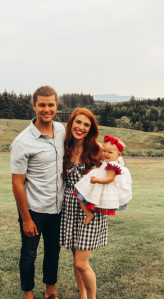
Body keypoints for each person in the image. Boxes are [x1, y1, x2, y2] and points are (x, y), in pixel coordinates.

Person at [11, 86, 64, 299]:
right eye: (41, 104)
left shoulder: (62, 130)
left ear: (56, 106)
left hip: (57, 207)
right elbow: (17, 183)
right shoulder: (22, 142)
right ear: (34, 106)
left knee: (53, 253)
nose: (46, 109)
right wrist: (26, 219)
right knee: (29, 255)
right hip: (33, 210)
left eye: (50, 104)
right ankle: (28, 295)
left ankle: (50, 293)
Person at [59, 108, 105, 299]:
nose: (81, 127)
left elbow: (112, 173)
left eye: (87, 125)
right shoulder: (63, 147)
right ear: (71, 123)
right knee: (75, 260)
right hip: (69, 208)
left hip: (90, 210)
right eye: (78, 122)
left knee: (81, 263)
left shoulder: (97, 149)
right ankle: (83, 297)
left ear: (91, 129)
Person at [74, 135, 132, 225]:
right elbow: (103, 168)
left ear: (118, 154)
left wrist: (97, 180)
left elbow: (110, 178)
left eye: (110, 152)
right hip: (99, 178)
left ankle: (88, 214)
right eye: (104, 151)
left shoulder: (112, 165)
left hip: (101, 182)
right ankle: (89, 213)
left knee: (79, 192)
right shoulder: (112, 161)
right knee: (82, 194)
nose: (105, 154)